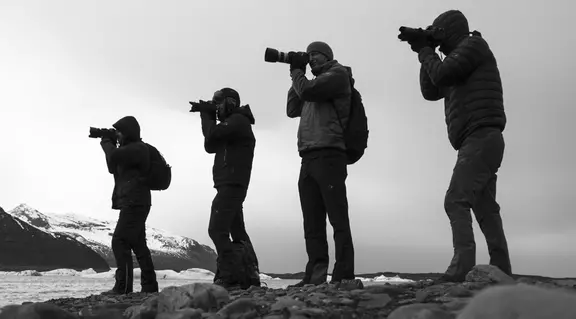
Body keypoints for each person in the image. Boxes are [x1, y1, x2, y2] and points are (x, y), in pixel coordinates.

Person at [410, 9, 512, 282]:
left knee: (455, 200)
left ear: (452, 30)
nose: (438, 41)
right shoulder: (456, 63)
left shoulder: (474, 46)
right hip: (478, 139)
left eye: (439, 34)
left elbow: (442, 75)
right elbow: (431, 90)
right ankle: (501, 269)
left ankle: (461, 268)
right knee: (485, 208)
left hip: (481, 136)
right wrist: (426, 50)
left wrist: (426, 50)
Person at [285, 41, 362, 289]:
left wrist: (298, 72)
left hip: (330, 153)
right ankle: (315, 275)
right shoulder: (313, 85)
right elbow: (292, 108)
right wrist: (296, 72)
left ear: (327, 55)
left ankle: (343, 274)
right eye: (308, 55)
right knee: (312, 220)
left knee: (337, 217)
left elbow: (306, 91)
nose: (311, 58)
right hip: (308, 156)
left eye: (314, 54)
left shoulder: (337, 75)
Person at [197, 88, 260, 289]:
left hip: (232, 183)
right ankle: (250, 276)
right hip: (231, 183)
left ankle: (230, 277)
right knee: (238, 231)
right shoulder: (234, 123)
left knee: (217, 229)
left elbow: (212, 134)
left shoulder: (238, 121)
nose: (216, 108)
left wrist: (207, 115)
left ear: (229, 103)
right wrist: (208, 116)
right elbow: (210, 145)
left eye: (218, 103)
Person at [99, 115, 158, 294]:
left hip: (135, 201)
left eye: (119, 132)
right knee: (138, 244)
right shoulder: (129, 150)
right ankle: (149, 287)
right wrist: (110, 142)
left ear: (127, 132)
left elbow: (115, 155)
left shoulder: (138, 148)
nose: (117, 135)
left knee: (120, 241)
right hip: (135, 201)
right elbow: (112, 165)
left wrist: (107, 141)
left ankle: (123, 287)